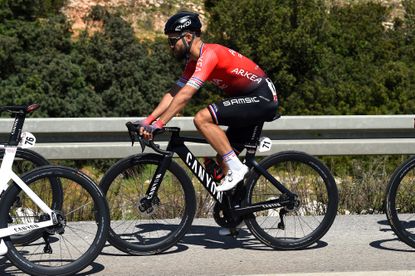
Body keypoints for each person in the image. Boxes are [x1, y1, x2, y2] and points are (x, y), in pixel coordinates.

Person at [138, 11, 279, 192]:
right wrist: (147, 121)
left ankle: (237, 169)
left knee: (202, 118)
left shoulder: (209, 55)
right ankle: (237, 214)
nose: (170, 46)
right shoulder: (193, 62)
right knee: (223, 158)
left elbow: (186, 95)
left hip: (262, 98)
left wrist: (160, 124)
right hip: (248, 100)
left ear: (188, 37)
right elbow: (174, 93)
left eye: (173, 40)